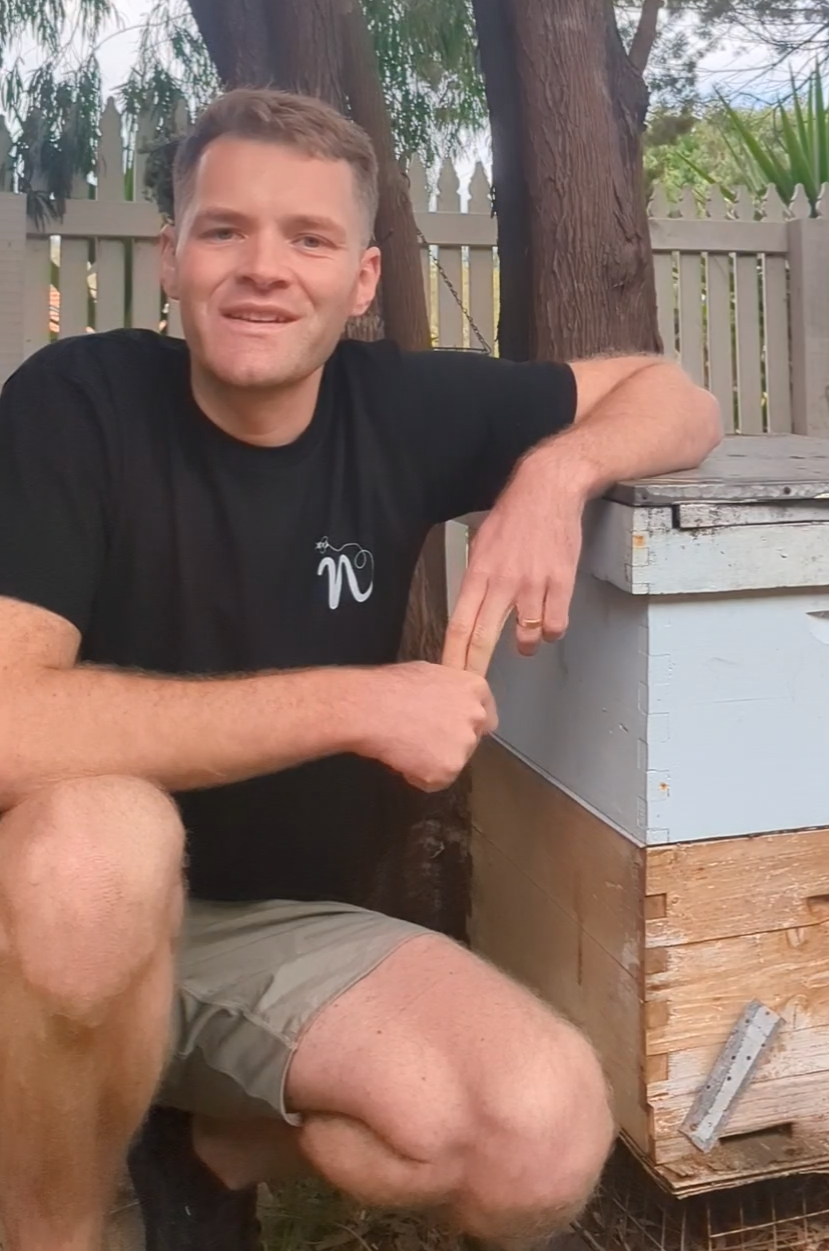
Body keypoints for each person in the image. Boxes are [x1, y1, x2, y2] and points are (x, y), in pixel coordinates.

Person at [0, 88, 720, 1251]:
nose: (263, 269)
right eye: (225, 230)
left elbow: (678, 398)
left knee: (537, 1134)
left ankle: (198, 1149)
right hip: (37, 925)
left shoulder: (399, 407)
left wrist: (557, 473)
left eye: (310, 239)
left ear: (365, 280)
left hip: (264, 933)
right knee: (99, 854)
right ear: (169, 257)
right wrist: (357, 703)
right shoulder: (73, 407)